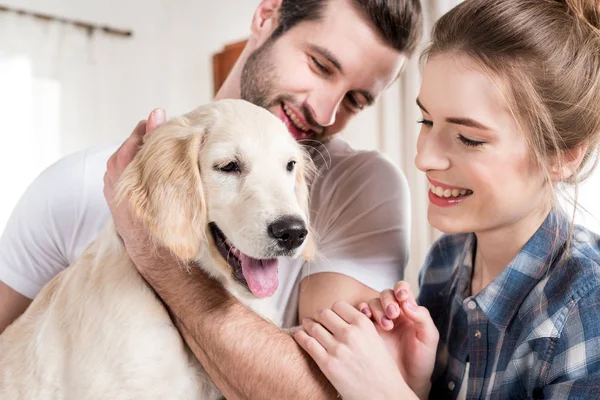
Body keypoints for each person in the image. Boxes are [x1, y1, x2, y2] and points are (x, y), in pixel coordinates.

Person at [0, 0, 423, 397]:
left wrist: (152, 252)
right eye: (320, 65)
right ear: (266, 16)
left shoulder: (363, 186)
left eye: (355, 100)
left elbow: (327, 392)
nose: (325, 113)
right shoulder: (73, 184)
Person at [293, 0, 600, 398]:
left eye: (469, 138)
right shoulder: (446, 261)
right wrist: (414, 382)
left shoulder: (586, 307)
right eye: (426, 121)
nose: (423, 158)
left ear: (562, 155)